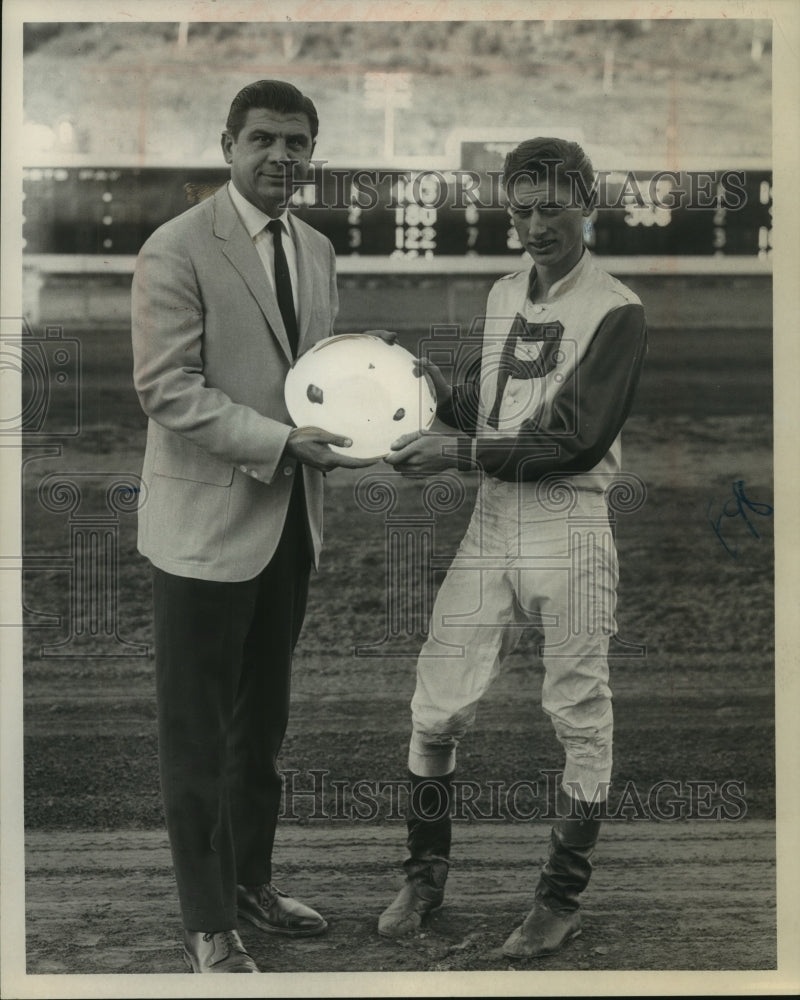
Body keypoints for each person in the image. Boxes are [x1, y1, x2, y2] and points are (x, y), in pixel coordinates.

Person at [378, 137, 648, 959]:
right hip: (494, 520)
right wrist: (415, 389)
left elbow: (571, 439)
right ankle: (425, 877)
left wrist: (455, 453)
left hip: (569, 523)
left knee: (577, 711)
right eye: (520, 209)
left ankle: (559, 900)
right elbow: (490, 408)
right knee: (436, 704)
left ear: (586, 203)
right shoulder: (502, 294)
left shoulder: (617, 309)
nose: (533, 225)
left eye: (551, 208)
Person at [131, 79, 376, 974]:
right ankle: (207, 922)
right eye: (265, 139)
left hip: (289, 526)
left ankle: (251, 882)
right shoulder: (176, 247)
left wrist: (377, 406)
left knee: (260, 731)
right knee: (197, 737)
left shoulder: (314, 247)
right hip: (204, 530)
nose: (283, 157)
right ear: (228, 145)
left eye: (299, 144)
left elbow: (311, 377)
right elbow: (165, 388)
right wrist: (281, 442)